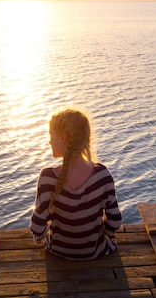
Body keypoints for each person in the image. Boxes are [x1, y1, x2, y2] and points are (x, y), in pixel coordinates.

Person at [30, 109, 122, 260]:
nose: (49, 141)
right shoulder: (102, 175)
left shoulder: (47, 178)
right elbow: (115, 221)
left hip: (57, 252)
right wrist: (109, 236)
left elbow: (37, 227)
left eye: (50, 135)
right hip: (94, 252)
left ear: (63, 137)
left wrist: (40, 238)